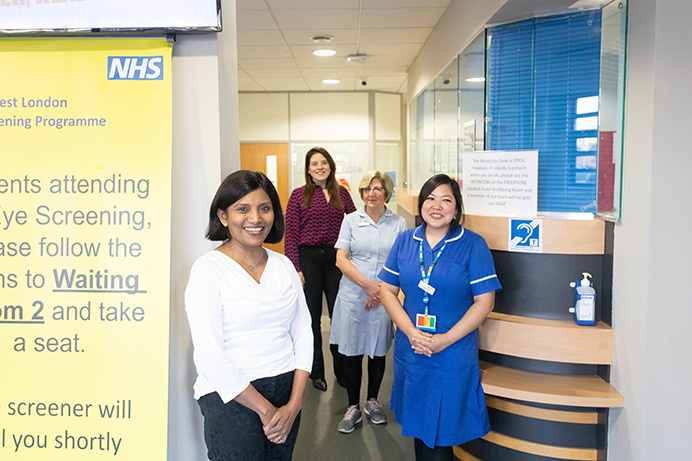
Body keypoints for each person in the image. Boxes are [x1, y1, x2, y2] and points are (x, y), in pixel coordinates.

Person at [185, 171, 313, 461]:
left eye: (264, 208)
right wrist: (266, 410)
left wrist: (294, 404)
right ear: (223, 215)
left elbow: (303, 332)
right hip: (230, 397)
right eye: (243, 209)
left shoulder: (284, 266)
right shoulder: (207, 270)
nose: (255, 218)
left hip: (285, 390)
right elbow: (209, 353)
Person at [378, 174, 502, 461]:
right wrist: (410, 332)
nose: (437, 205)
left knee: (441, 439)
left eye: (446, 199)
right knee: (420, 432)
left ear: (456, 208)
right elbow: (387, 291)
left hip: (452, 354)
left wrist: (444, 340)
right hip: (413, 350)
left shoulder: (473, 244)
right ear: (421, 204)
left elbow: (485, 302)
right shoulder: (405, 240)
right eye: (430, 198)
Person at [329, 171, 407, 433]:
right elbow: (341, 259)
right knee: (352, 352)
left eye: (377, 188)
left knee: (377, 350)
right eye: (366, 189)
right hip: (354, 295)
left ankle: (372, 401)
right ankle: (353, 406)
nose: (371, 193)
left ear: (387, 192)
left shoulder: (398, 223)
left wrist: (380, 291)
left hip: (385, 296)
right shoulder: (351, 220)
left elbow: (399, 263)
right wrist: (368, 286)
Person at [284, 147, 357, 392]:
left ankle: (342, 371)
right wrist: (296, 268)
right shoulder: (298, 195)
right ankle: (316, 371)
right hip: (309, 260)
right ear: (307, 169)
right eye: (314, 164)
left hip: (336, 260)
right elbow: (291, 234)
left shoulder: (342, 194)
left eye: (323, 162)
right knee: (311, 319)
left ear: (330, 165)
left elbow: (355, 226)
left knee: (339, 317)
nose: (319, 167)